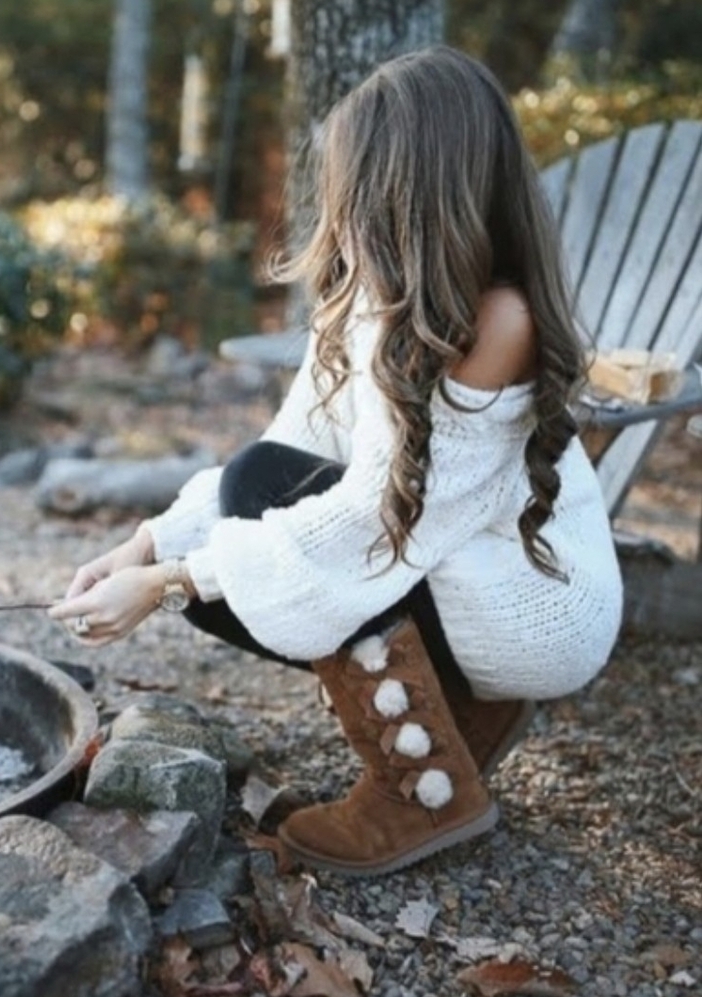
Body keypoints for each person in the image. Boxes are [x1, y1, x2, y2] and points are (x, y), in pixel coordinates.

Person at [48, 45, 623, 876]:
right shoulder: (375, 296)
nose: (337, 209)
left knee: (241, 547)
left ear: (411, 190)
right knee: (252, 491)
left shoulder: (502, 321)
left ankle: (420, 789)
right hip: (449, 565)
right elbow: (288, 455)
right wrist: (144, 545)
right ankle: (457, 719)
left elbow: (382, 515)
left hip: (534, 607)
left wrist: (173, 581)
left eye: (353, 187)